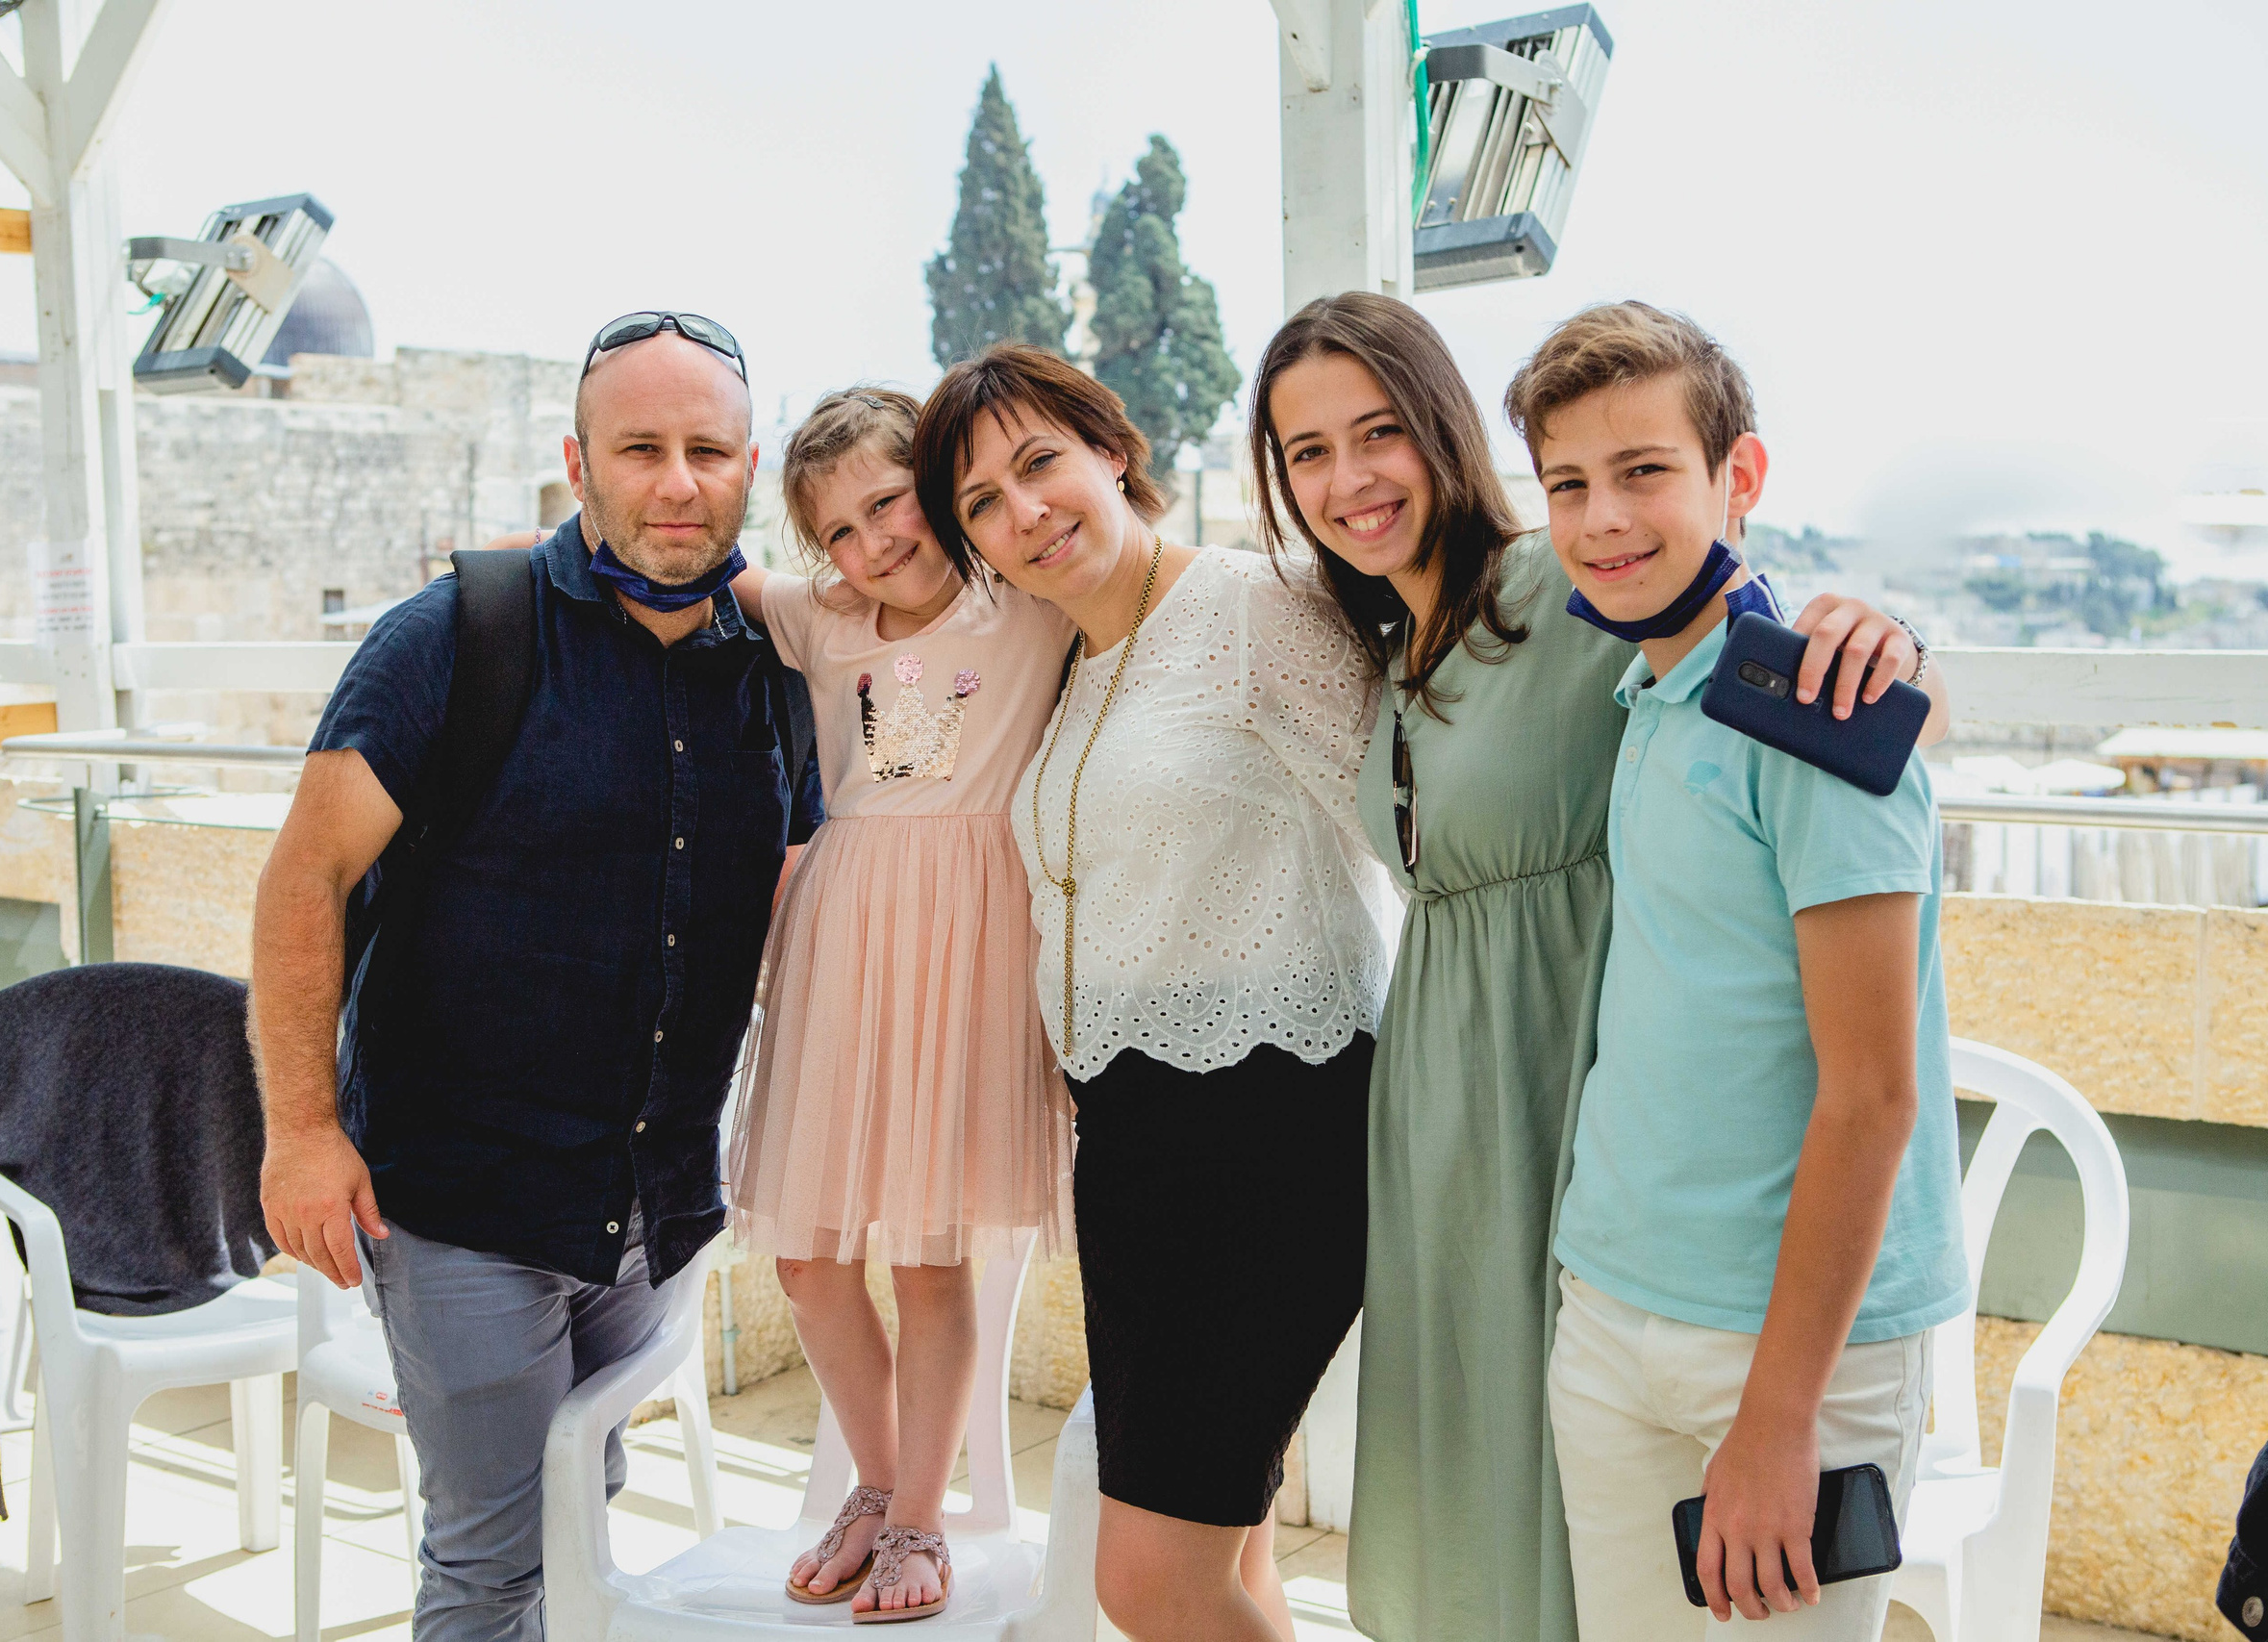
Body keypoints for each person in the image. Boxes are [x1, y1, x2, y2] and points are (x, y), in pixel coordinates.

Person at [1247, 290, 1949, 1642]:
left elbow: (1784, 660)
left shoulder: (1575, 600)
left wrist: (1888, 641)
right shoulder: (1454, 655)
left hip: (1587, 1124)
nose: (1348, 476)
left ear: (1444, 434)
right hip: (1543, 1194)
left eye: (1379, 430)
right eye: (1307, 451)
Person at [250, 311, 819, 1642]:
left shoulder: (781, 668)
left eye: (708, 448)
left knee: (579, 1517)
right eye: (641, 448)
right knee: (493, 1561)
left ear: (752, 464)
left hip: (658, 1196)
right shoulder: (456, 633)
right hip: (463, 1198)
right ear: (579, 460)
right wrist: (299, 1127)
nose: (677, 481)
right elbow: (304, 878)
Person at [912, 344, 1399, 1642]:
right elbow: (865, 652)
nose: (1023, 512)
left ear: (1110, 450)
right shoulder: (1059, 664)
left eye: (1039, 464)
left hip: (1277, 1135)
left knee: (1147, 1579)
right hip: (1131, 1152)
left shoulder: (1257, 606)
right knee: (1229, 1544)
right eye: (980, 503)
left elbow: (1425, 794)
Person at [1509, 300, 1969, 1639]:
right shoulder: (1649, 692)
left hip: (1790, 1354)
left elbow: (1873, 1093)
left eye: (1645, 471)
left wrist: (1779, 1418)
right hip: (1607, 1306)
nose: (1604, 519)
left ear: (1739, 477)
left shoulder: (1821, 708)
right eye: (1569, 485)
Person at [728, 388, 1075, 1619]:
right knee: (808, 1253)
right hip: (841, 937)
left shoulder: (1027, 602)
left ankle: (920, 1522)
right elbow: (680, 575)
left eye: (888, 503)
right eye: (839, 531)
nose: (873, 544)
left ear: (933, 484)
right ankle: (875, 1487)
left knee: (932, 1255)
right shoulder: (819, 620)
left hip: (972, 942)